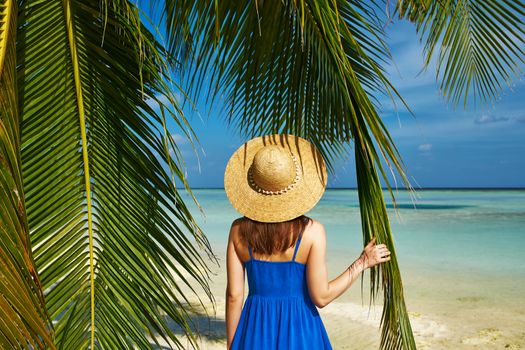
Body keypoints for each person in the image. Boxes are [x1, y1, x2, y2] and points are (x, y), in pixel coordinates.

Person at [223, 134, 391, 350]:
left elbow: (234, 296)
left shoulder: (238, 231)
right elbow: (321, 297)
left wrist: (232, 344)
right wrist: (362, 263)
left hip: (255, 330)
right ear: (295, 187)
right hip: (301, 332)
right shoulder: (313, 232)